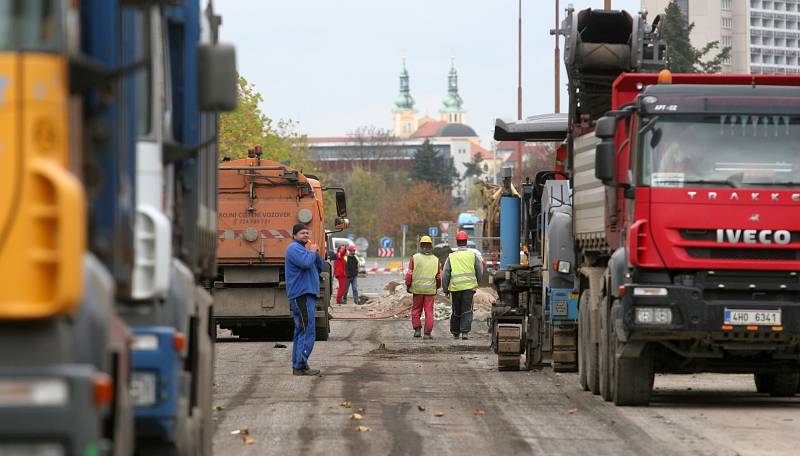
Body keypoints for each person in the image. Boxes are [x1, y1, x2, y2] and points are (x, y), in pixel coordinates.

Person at [285, 223, 323, 376]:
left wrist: (317, 254)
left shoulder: (304, 250)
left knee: (301, 329)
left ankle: (299, 365)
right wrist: (312, 252)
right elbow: (306, 264)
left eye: (307, 233)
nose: (305, 235)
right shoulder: (293, 249)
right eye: (302, 233)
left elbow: (318, 267)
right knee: (307, 330)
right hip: (302, 295)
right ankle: (300, 364)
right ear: (294, 236)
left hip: (307, 294)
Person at [442, 230, 483, 340]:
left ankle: (456, 332)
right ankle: (464, 332)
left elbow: (445, 274)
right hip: (469, 288)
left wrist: (445, 289)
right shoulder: (473, 255)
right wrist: (477, 283)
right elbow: (479, 271)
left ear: (457, 242)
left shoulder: (451, 257)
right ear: (466, 241)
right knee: (467, 310)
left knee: (456, 310)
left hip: (455, 289)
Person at [404, 236, 441, 339]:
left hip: (417, 290)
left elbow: (409, 274)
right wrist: (437, 287)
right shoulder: (436, 260)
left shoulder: (415, 258)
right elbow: (438, 277)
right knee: (429, 311)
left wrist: (408, 285)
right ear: (431, 246)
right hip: (430, 291)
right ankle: (427, 333)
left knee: (416, 310)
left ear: (421, 245)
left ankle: (417, 330)